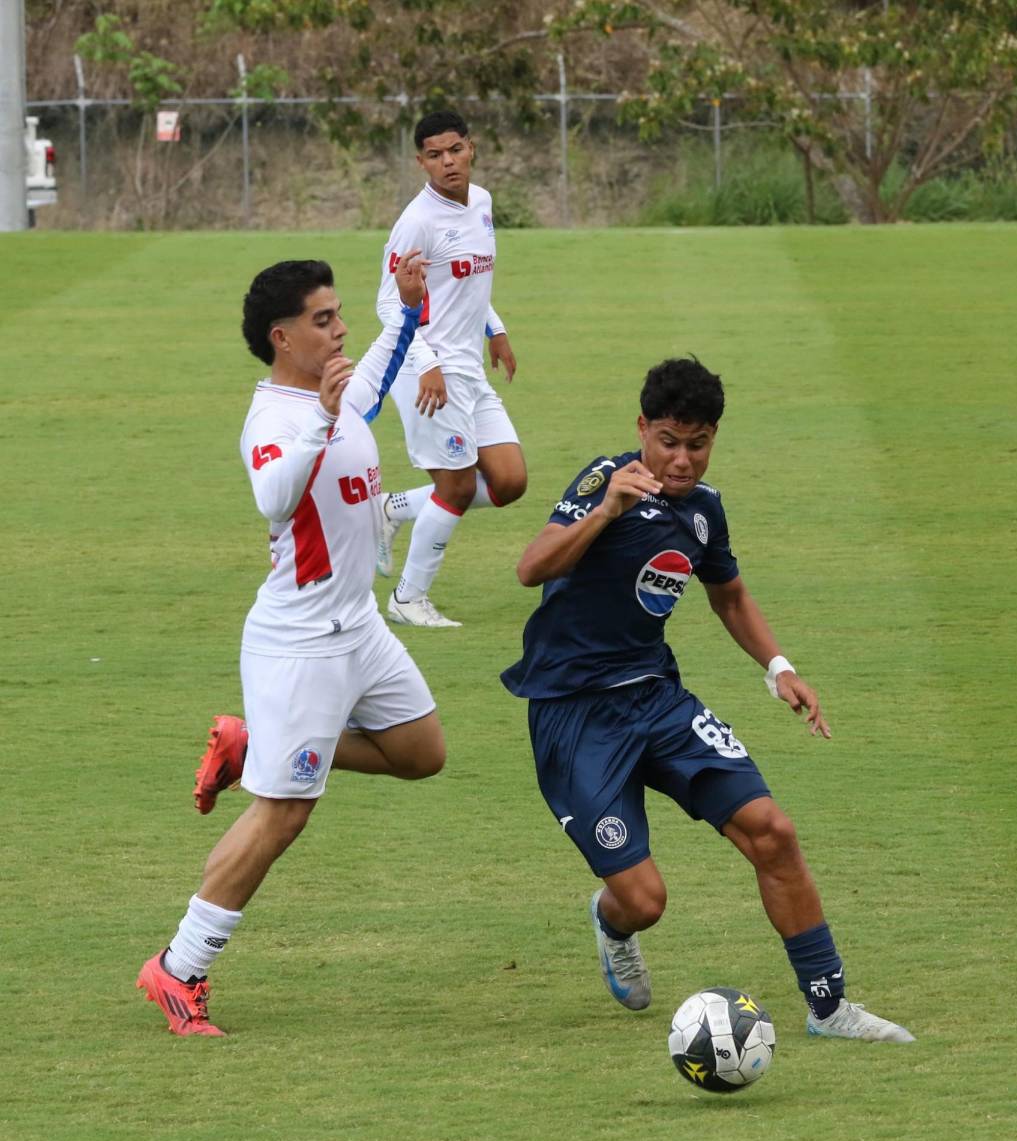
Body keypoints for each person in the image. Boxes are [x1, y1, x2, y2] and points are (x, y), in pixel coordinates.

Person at [501, 358, 914, 1043]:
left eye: (698, 443)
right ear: (642, 429)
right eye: (668, 441)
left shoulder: (703, 509)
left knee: (773, 832)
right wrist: (606, 512)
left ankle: (830, 1007)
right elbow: (530, 567)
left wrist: (778, 666)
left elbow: (728, 591)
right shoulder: (606, 481)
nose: (682, 459)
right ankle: (611, 920)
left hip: (657, 698)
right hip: (574, 713)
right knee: (645, 900)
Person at [137, 254, 447, 1037]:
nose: (340, 328)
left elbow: (370, 379)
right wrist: (323, 412)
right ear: (283, 337)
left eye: (341, 315)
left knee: (421, 750)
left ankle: (256, 747)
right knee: (283, 815)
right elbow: (273, 496)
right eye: (323, 319)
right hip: (301, 642)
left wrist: (407, 315)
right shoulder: (276, 416)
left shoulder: (333, 390)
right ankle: (178, 968)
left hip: (359, 627)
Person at [372, 109, 526, 629]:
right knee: (457, 486)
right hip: (426, 370)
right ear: (421, 162)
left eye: (455, 150)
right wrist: (429, 362)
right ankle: (407, 599)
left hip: (467, 369)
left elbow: (470, 285)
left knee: (509, 482)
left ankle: (392, 508)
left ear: (471, 148)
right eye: (434, 155)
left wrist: (495, 329)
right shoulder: (417, 222)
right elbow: (390, 304)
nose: (448, 162)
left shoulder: (481, 203)